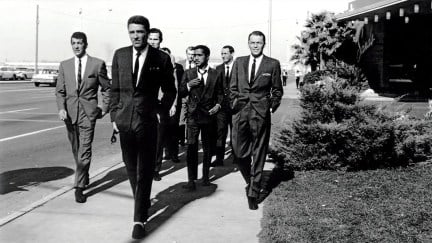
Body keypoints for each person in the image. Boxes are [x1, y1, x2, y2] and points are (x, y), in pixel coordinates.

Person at [109, 15, 176, 239]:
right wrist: (113, 117)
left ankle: (139, 219)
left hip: (148, 120)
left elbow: (170, 90)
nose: (136, 36)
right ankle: (142, 200)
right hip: (125, 120)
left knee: (145, 169)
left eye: (140, 32)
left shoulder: (161, 58)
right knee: (130, 167)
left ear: (147, 33)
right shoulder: (120, 55)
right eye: (132, 32)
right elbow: (115, 90)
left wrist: (160, 110)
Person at [230, 31, 283, 210]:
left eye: (258, 43)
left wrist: (270, 106)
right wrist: (234, 104)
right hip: (240, 112)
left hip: (260, 113)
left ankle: (254, 191)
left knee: (259, 151)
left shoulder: (272, 64)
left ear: (263, 44)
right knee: (238, 152)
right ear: (248, 43)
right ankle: (250, 180)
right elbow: (232, 88)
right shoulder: (239, 62)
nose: (255, 45)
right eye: (252, 42)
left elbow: (277, 91)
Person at [55, 32, 110, 204]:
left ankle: (78, 187)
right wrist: (61, 109)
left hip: (88, 113)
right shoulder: (64, 65)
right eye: (73, 43)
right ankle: (83, 177)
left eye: (79, 43)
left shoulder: (97, 64)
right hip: (70, 114)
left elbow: (107, 88)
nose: (76, 46)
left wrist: (104, 107)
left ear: (86, 44)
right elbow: (60, 91)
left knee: (84, 150)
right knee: (76, 149)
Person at [179, 45, 223, 191]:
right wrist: (188, 85)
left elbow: (221, 94)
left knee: (208, 148)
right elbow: (180, 91)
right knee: (191, 147)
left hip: (209, 115)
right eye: (194, 55)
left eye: (199, 55)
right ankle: (191, 180)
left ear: (207, 57)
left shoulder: (216, 74)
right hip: (193, 116)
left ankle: (205, 177)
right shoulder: (188, 73)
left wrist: (218, 105)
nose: (195, 58)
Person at [147, 29, 180, 181]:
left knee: (159, 138)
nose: (153, 42)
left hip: (160, 104)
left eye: (156, 39)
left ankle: (155, 169)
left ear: (160, 41)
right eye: (150, 39)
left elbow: (173, 83)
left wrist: (172, 104)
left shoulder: (166, 58)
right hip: (142, 105)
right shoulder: (139, 56)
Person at [212, 45, 235, 167]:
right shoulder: (218, 68)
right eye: (222, 53)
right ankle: (219, 159)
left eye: (225, 53)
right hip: (222, 107)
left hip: (235, 107)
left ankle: (236, 157)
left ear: (232, 54)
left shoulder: (238, 68)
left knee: (235, 132)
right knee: (220, 132)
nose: (223, 56)